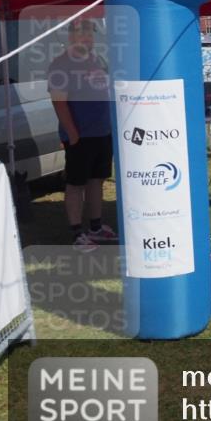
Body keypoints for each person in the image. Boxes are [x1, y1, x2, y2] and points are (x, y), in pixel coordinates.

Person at [47, 19, 118, 253]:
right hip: (80, 135)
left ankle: (96, 227)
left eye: (90, 33)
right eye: (81, 33)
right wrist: (73, 134)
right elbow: (59, 101)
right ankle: (77, 233)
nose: (87, 37)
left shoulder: (98, 60)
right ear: (71, 36)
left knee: (97, 180)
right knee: (76, 183)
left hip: (103, 132)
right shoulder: (61, 64)